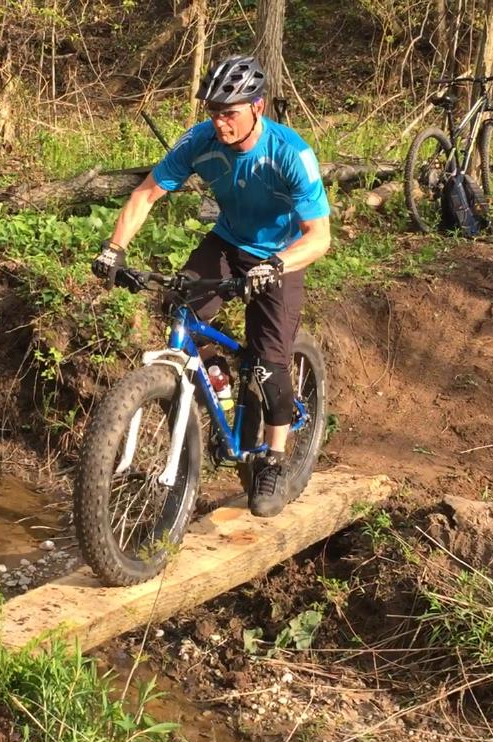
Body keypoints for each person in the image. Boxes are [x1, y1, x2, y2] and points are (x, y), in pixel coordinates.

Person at [91, 55, 331, 518]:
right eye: (213, 112)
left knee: (269, 363)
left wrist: (276, 264)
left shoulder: (290, 152)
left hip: (281, 253)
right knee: (180, 312)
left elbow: (319, 236)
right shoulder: (200, 142)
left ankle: (274, 460)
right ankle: (218, 384)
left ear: (257, 106)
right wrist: (113, 249)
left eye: (230, 112)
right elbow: (147, 193)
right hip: (227, 240)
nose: (220, 122)